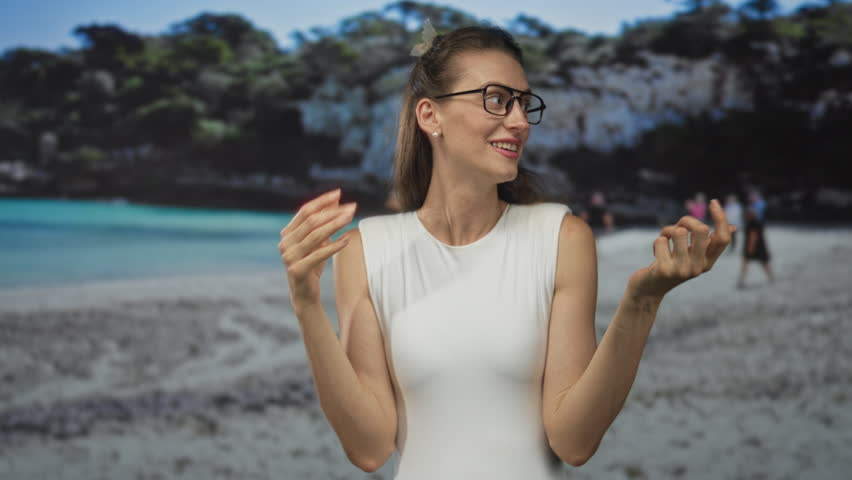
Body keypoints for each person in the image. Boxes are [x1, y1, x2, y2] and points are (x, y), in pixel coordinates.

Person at [278, 21, 735, 479]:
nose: (518, 121)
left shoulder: (561, 237)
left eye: (523, 102)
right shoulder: (366, 249)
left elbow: (574, 441)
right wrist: (307, 305)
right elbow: (369, 448)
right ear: (430, 116)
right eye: (496, 100)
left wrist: (642, 300)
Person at [737, 207, 774, 288]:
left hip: (755, 247)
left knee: (749, 263)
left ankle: (742, 280)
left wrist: (750, 249)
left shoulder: (752, 224)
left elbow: (753, 237)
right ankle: (771, 278)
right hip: (760, 247)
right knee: (763, 264)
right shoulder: (756, 223)